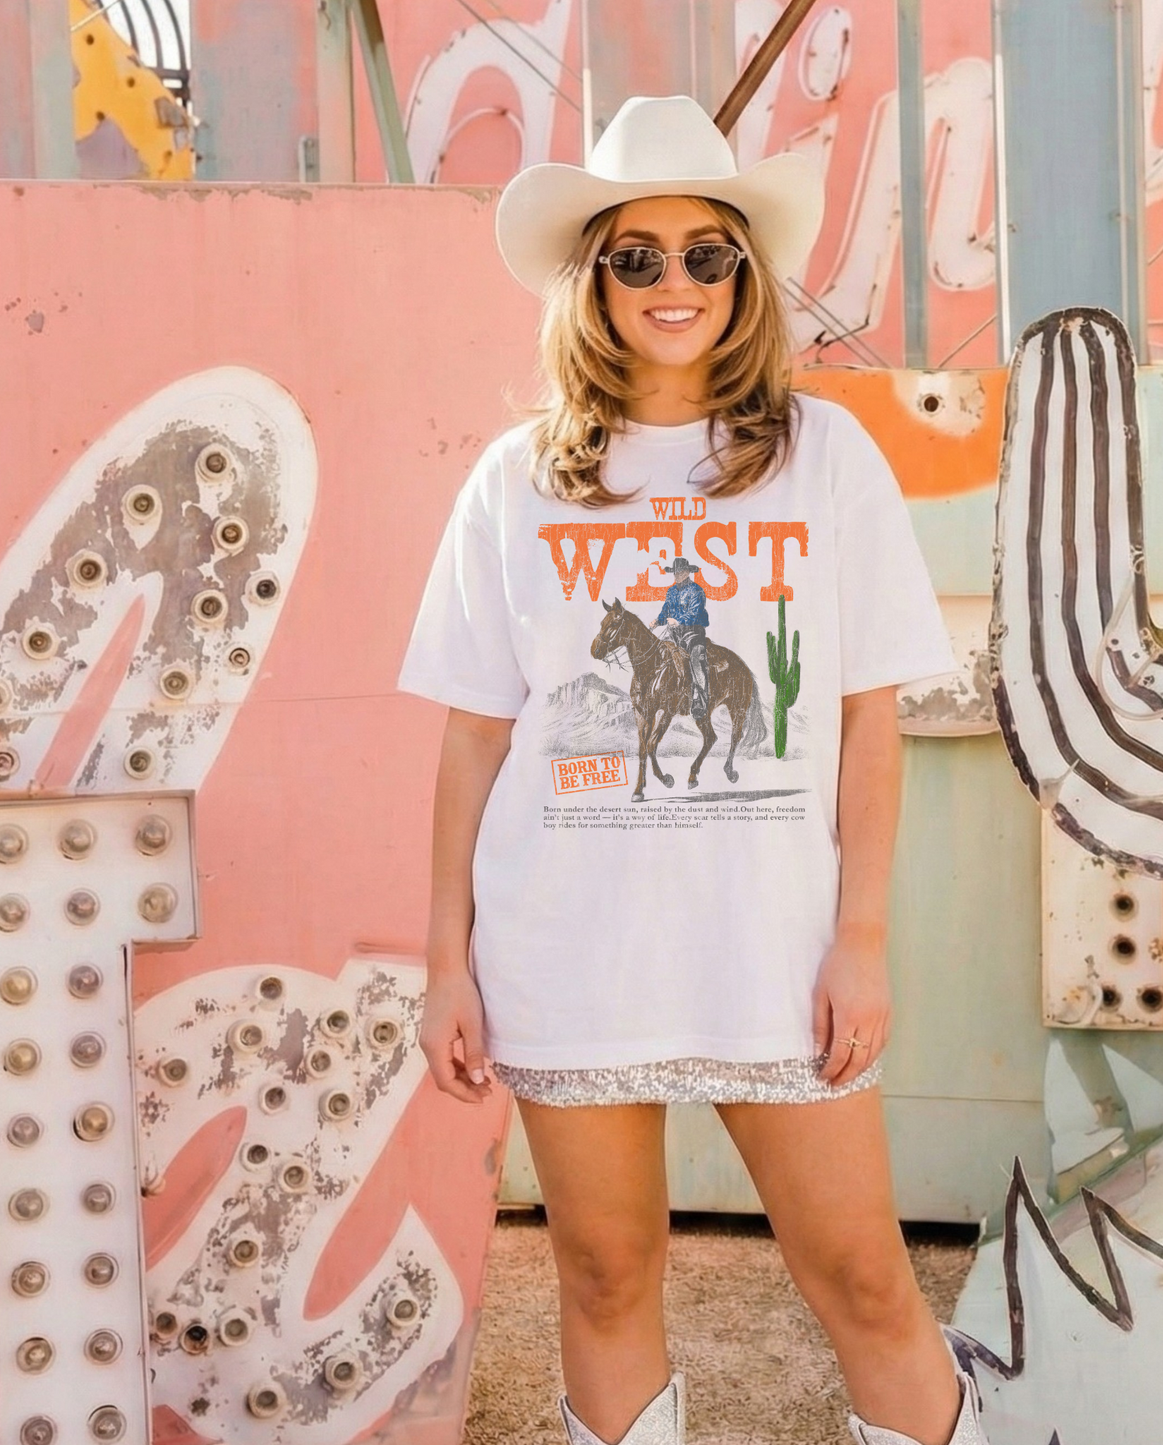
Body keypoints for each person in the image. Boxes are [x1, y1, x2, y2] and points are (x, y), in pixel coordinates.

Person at [397, 94, 987, 1445]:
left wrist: (861, 937)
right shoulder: (517, 482)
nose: (676, 283)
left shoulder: (819, 457)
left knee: (860, 1278)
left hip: (772, 948)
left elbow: (865, 716)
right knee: (604, 1274)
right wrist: (447, 960)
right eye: (638, 255)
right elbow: (475, 735)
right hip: (568, 947)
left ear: (743, 274)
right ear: (591, 276)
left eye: (707, 253)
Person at [655, 557, 710, 719]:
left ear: (687, 572)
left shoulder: (696, 591)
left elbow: (695, 613)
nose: (677, 575)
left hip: (693, 634)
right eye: (675, 573)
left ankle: (700, 701)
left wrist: (679, 621)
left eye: (680, 572)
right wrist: (657, 621)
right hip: (675, 635)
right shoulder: (671, 591)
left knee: (696, 662)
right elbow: (665, 610)